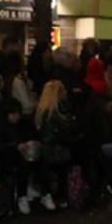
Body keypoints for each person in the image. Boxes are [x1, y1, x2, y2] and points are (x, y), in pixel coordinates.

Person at [34, 80, 80, 209]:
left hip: (56, 147)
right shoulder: (54, 115)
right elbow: (63, 133)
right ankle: (53, 194)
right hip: (55, 148)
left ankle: (54, 194)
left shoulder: (44, 112)